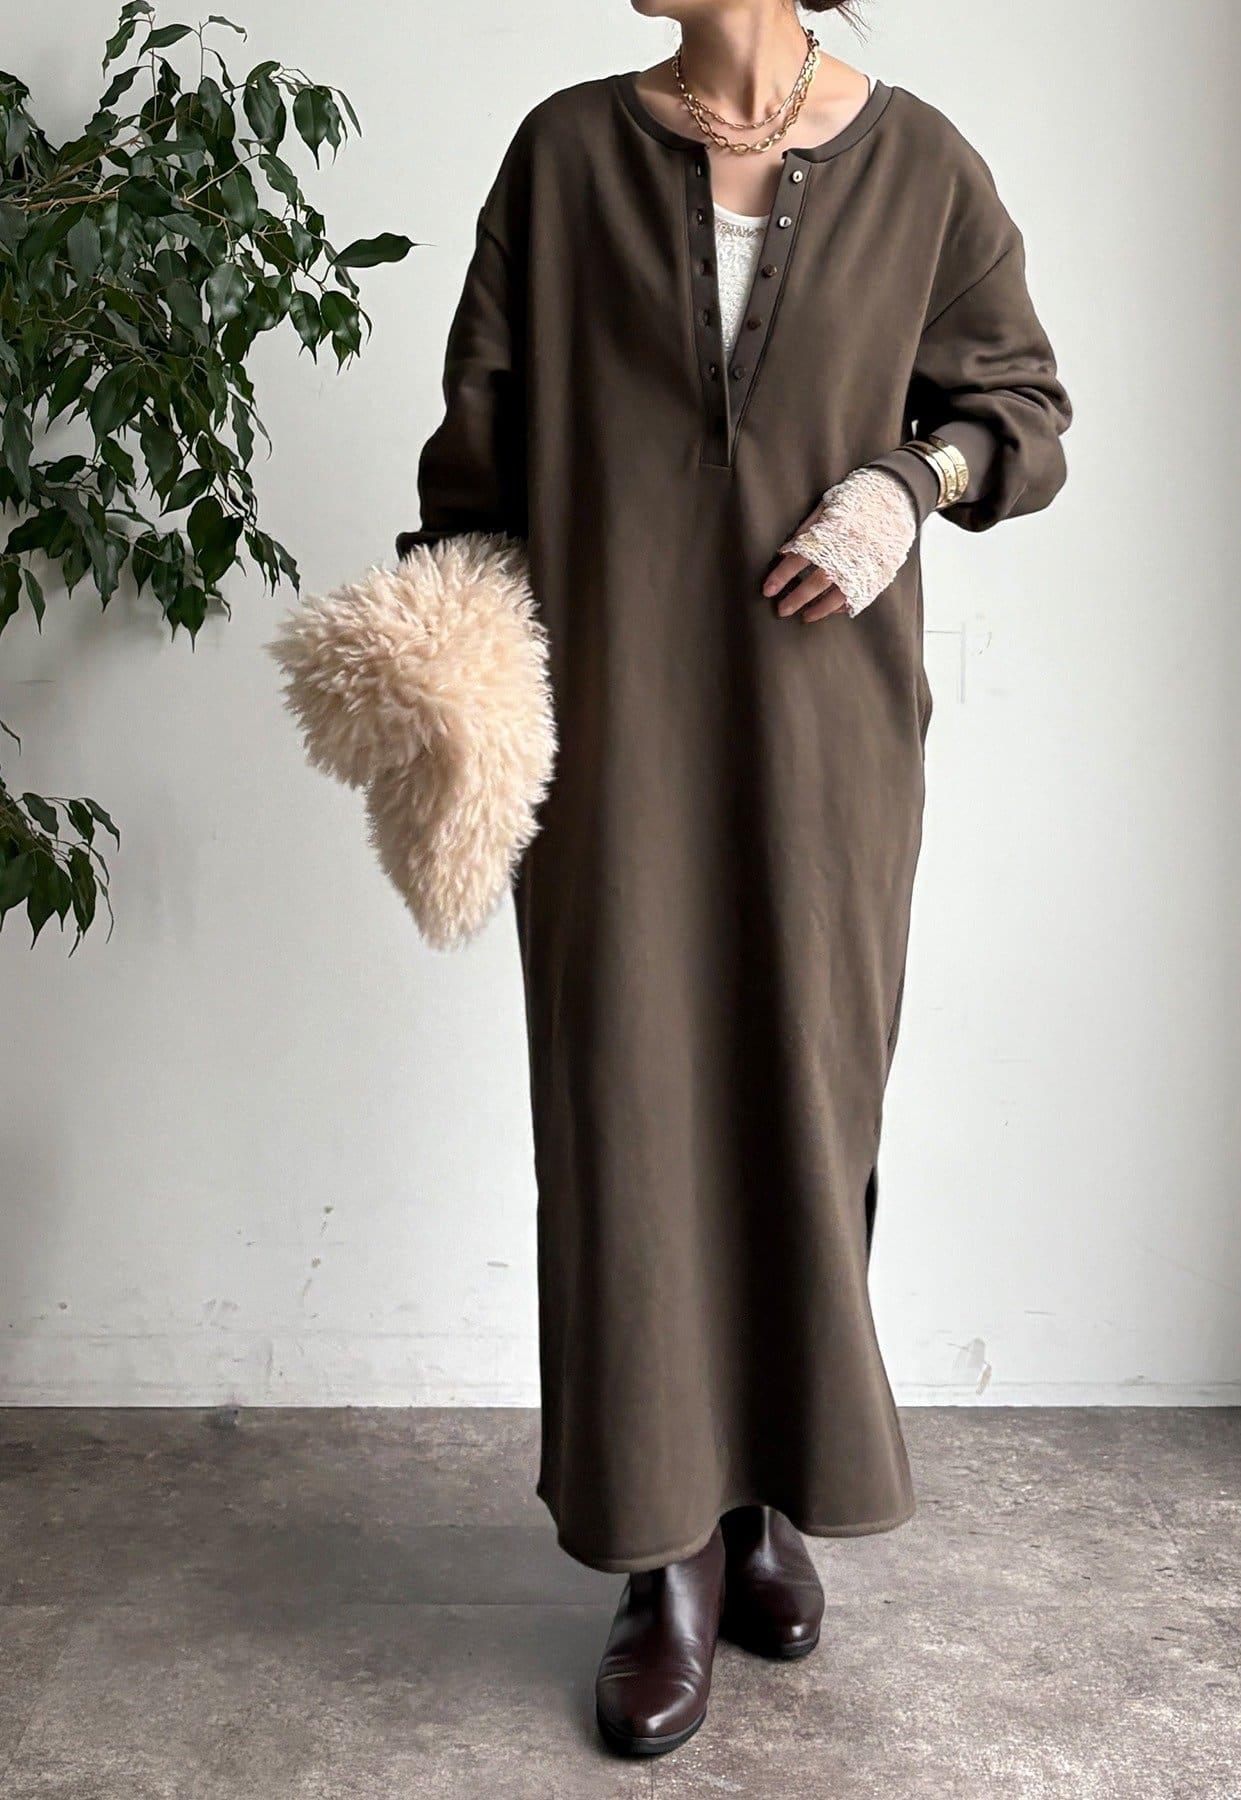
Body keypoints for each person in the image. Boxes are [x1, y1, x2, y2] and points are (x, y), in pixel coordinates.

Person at [395, 0, 1071, 1758]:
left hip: (827, 736)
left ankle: (770, 1494)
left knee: (807, 1104)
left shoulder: (921, 167)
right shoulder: (565, 156)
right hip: (609, 719)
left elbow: (1021, 410)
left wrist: (909, 484)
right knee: (624, 1112)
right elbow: (476, 450)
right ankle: (664, 1554)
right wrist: (457, 692)